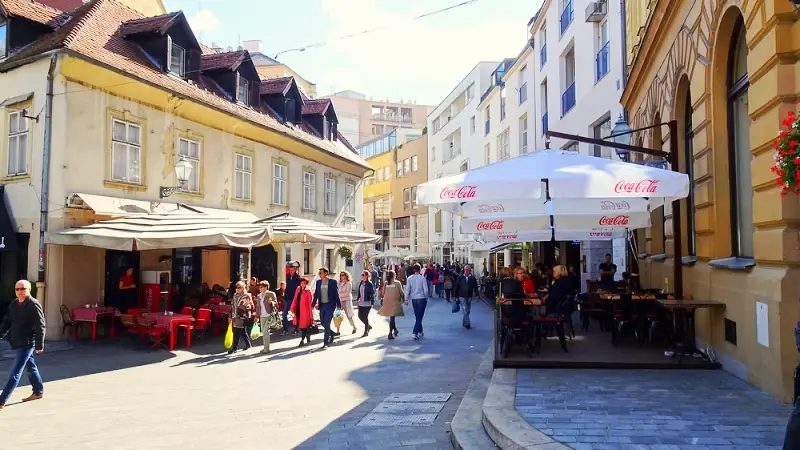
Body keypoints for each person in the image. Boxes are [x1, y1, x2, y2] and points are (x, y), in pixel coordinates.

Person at [0, 281, 45, 409]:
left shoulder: (33, 304)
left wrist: (39, 344)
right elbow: (7, 321)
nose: (19, 291)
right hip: (17, 340)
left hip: (27, 342)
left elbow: (40, 325)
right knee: (31, 366)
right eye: (17, 289)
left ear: (29, 289)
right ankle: (38, 391)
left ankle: (2, 400)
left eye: (23, 289)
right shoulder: (14, 304)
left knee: (15, 371)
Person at [313, 268, 341, 349]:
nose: (319, 274)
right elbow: (316, 294)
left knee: (327, 323)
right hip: (322, 305)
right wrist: (313, 304)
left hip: (330, 305)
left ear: (326, 273)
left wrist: (339, 305)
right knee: (322, 322)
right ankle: (331, 333)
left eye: (320, 273)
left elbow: (336, 294)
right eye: (319, 273)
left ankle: (326, 342)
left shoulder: (332, 282)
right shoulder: (318, 282)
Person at [228, 281, 254, 354]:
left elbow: (250, 306)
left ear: (243, 288)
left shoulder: (246, 296)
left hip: (242, 317)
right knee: (242, 331)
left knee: (237, 332)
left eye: (239, 287)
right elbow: (232, 306)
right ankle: (248, 344)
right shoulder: (235, 295)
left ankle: (234, 348)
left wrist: (247, 307)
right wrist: (230, 316)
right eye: (236, 287)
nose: (237, 289)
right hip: (235, 316)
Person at [379, 271, 405, 340]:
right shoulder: (397, 283)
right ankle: (390, 333)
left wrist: (382, 297)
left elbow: (383, 293)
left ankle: (395, 330)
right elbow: (402, 292)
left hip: (387, 301)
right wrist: (403, 300)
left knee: (392, 316)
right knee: (392, 317)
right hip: (395, 301)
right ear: (394, 275)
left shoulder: (386, 283)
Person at [406, 264, 428, 340]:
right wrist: (426, 297)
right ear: (420, 269)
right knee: (420, 316)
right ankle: (415, 332)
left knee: (417, 315)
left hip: (414, 298)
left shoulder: (409, 278)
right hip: (421, 298)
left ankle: (420, 331)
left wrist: (406, 298)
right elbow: (426, 290)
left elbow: (408, 289)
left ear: (413, 270)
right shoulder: (422, 278)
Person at [255, 280, 276, 354]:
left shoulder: (271, 294)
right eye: (260, 287)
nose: (260, 289)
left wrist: (271, 302)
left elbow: (276, 303)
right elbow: (258, 307)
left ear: (266, 287)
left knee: (265, 331)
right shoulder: (259, 296)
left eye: (262, 287)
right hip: (262, 315)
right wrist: (256, 316)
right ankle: (265, 347)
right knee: (264, 332)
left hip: (269, 315)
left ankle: (266, 349)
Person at [292, 278, 314, 347]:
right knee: (300, 325)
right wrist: (292, 307)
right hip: (298, 309)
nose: (302, 284)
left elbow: (310, 303)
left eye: (304, 283)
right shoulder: (298, 289)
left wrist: (311, 313)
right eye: (302, 283)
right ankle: (307, 335)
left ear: (306, 284)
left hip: (305, 311)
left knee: (304, 326)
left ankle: (302, 340)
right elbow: (295, 299)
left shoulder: (308, 291)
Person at [356, 270, 376, 337]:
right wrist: (358, 298)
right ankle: (368, 326)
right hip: (361, 303)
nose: (362, 276)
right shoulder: (361, 282)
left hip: (367, 303)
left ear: (367, 276)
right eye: (362, 275)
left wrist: (372, 302)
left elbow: (372, 294)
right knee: (360, 316)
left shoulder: (369, 284)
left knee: (365, 317)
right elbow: (359, 292)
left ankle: (365, 332)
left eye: (363, 275)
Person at [283, 263, 301, 335]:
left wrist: (297, 299)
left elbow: (299, 289)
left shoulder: (298, 278)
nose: (290, 271)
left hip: (294, 299)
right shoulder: (288, 276)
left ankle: (296, 329)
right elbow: (287, 287)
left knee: (295, 315)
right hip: (287, 299)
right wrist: (285, 296)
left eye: (292, 270)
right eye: (290, 270)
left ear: (295, 270)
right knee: (284, 314)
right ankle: (285, 329)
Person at [337, 271, 357, 335]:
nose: (341, 276)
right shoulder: (339, 283)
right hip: (340, 301)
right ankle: (338, 331)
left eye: (343, 275)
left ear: (346, 275)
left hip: (347, 301)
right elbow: (338, 291)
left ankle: (354, 327)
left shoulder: (349, 283)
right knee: (337, 316)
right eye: (340, 275)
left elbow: (347, 293)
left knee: (349, 316)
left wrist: (339, 295)